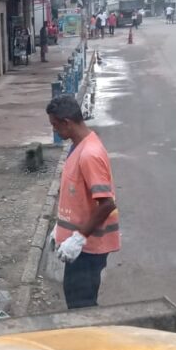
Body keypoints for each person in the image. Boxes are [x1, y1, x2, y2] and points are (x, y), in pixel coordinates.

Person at [46, 95, 120, 309]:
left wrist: (77, 239)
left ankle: (93, 341)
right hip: (80, 246)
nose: (54, 131)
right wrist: (59, 228)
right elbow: (76, 197)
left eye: (54, 125)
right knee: (77, 303)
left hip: (87, 249)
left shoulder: (89, 154)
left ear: (67, 122)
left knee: (82, 307)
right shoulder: (77, 147)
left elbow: (107, 204)